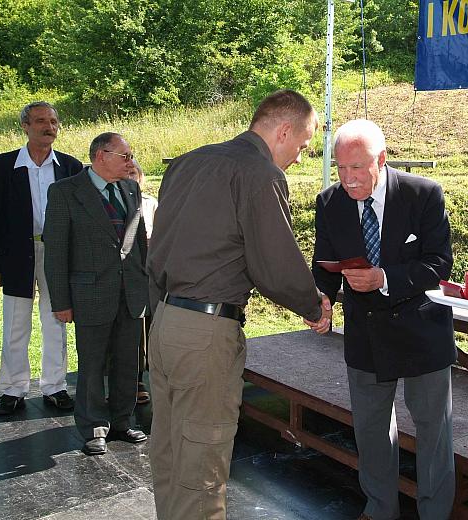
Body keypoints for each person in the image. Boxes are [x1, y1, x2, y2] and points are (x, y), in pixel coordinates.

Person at [146, 89, 330, 520]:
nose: (300, 157)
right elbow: (274, 264)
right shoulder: (259, 173)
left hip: (165, 322)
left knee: (169, 453)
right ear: (284, 131)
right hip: (206, 333)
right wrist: (313, 305)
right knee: (202, 465)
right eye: (303, 145)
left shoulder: (187, 163)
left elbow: (157, 249)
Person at [308, 119, 457, 520]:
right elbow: (324, 263)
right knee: (371, 430)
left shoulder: (423, 194)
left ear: (382, 159)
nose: (348, 178)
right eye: (341, 168)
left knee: (433, 432)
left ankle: (435, 514)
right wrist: (322, 298)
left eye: (357, 167)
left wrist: (384, 278)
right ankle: (379, 509)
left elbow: (439, 262)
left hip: (422, 330)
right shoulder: (330, 202)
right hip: (366, 332)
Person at [43, 132, 149, 456]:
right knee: (91, 365)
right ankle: (93, 428)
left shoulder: (130, 188)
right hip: (90, 294)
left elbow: (139, 242)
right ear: (101, 156)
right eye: (125, 156)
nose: (130, 162)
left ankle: (122, 420)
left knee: (128, 362)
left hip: (130, 293)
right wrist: (61, 302)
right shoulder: (65, 191)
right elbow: (56, 252)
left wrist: (144, 284)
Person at [0, 101, 82, 415]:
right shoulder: (1, 167)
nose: (49, 127)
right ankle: (13, 389)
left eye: (53, 121)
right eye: (41, 121)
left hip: (58, 254)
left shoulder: (70, 167)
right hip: (16, 255)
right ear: (25, 126)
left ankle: (55, 387)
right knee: (15, 324)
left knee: (56, 320)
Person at [128, 159, 157, 405]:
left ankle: (150, 377)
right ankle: (131, 380)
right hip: (126, 273)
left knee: (151, 328)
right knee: (131, 331)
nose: (131, 177)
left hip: (150, 272)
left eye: (134, 173)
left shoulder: (151, 203)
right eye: (126, 173)